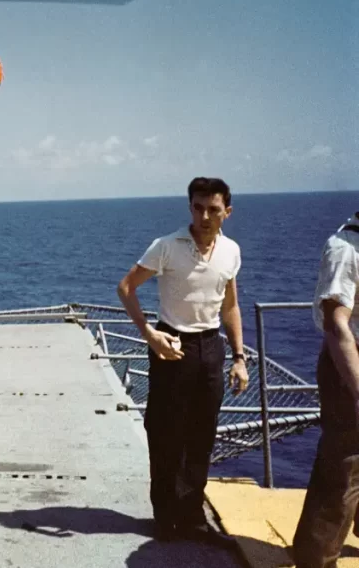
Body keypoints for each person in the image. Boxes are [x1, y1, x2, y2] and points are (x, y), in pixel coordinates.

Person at [116, 176, 248, 547]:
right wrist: (150, 335)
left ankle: (192, 518)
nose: (204, 215)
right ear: (189, 207)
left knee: (202, 436)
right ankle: (165, 517)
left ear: (227, 212)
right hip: (172, 345)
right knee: (165, 433)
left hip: (211, 349)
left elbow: (231, 305)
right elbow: (126, 288)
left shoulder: (231, 251)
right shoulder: (166, 246)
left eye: (213, 209)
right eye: (197, 207)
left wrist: (239, 357)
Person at [292, 211, 359, 568]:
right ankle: (315, 559)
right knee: (344, 464)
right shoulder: (345, 249)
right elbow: (337, 327)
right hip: (349, 367)